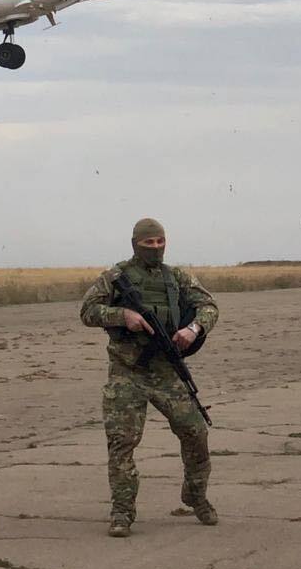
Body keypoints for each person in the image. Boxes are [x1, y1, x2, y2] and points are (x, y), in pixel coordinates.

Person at [79, 218, 220, 538]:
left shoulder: (178, 277)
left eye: (160, 242)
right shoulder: (115, 278)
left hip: (166, 372)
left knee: (196, 432)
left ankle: (195, 495)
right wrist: (122, 316)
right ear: (135, 244)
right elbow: (88, 310)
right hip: (127, 372)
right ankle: (122, 512)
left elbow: (209, 307)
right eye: (149, 243)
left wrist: (192, 329)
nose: (156, 248)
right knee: (122, 443)